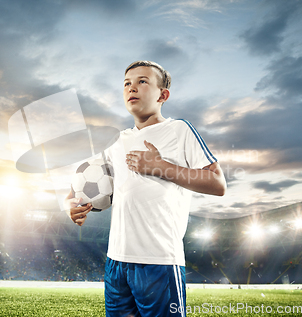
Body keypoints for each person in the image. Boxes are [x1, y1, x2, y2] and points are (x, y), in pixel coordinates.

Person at [66, 60, 226, 316]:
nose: (132, 88)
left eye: (142, 81)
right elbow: (84, 188)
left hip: (158, 261)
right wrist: (72, 206)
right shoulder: (116, 141)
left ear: (163, 95)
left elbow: (218, 184)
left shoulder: (179, 130)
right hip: (116, 261)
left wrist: (160, 166)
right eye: (127, 83)